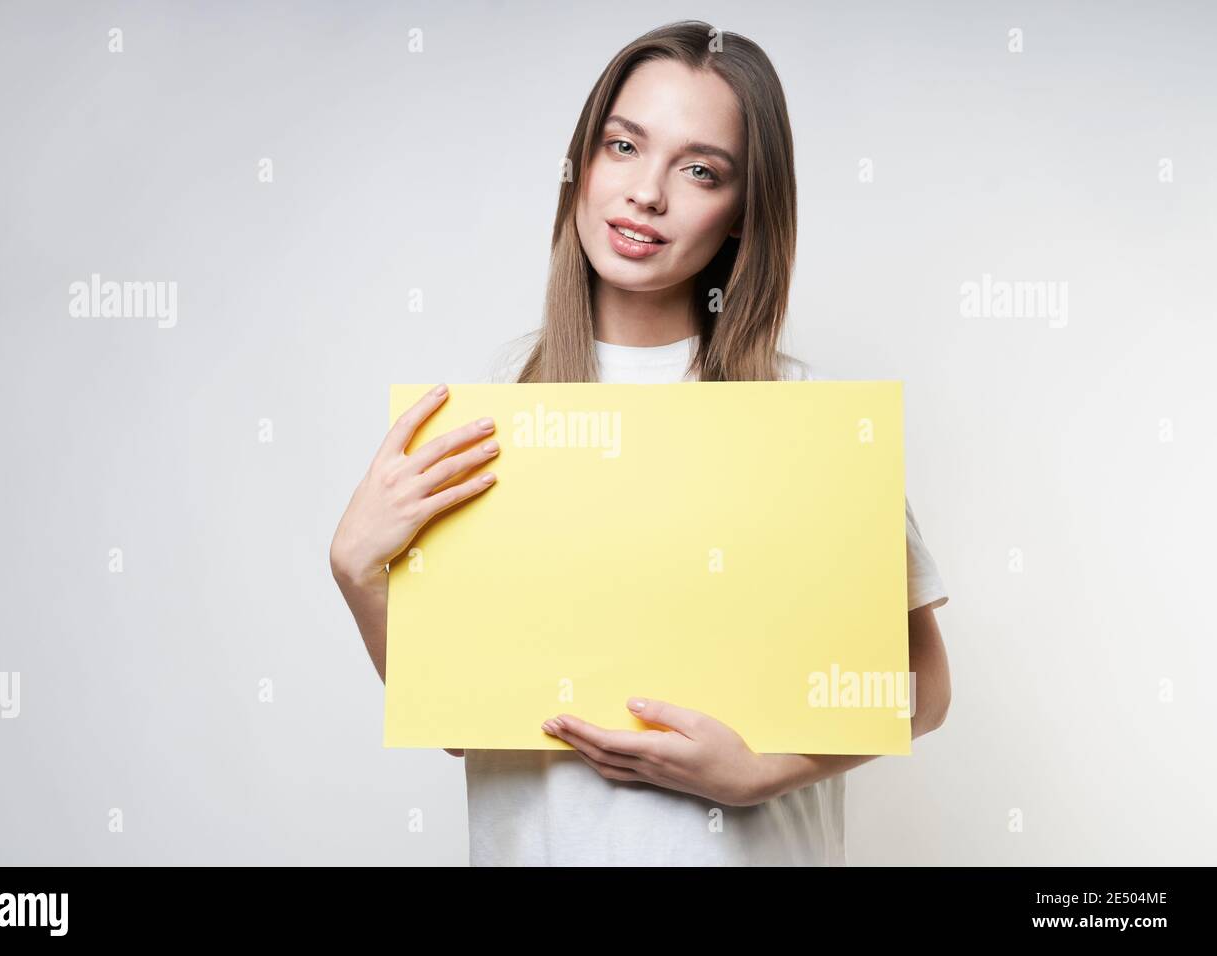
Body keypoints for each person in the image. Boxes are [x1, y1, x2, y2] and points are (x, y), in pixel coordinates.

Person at [330, 19, 951, 866]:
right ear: (581, 165)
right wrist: (357, 574)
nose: (647, 193)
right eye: (624, 146)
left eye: (701, 170)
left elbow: (924, 683)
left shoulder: (803, 417)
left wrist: (763, 772)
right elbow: (462, 723)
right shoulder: (494, 418)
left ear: (743, 212)